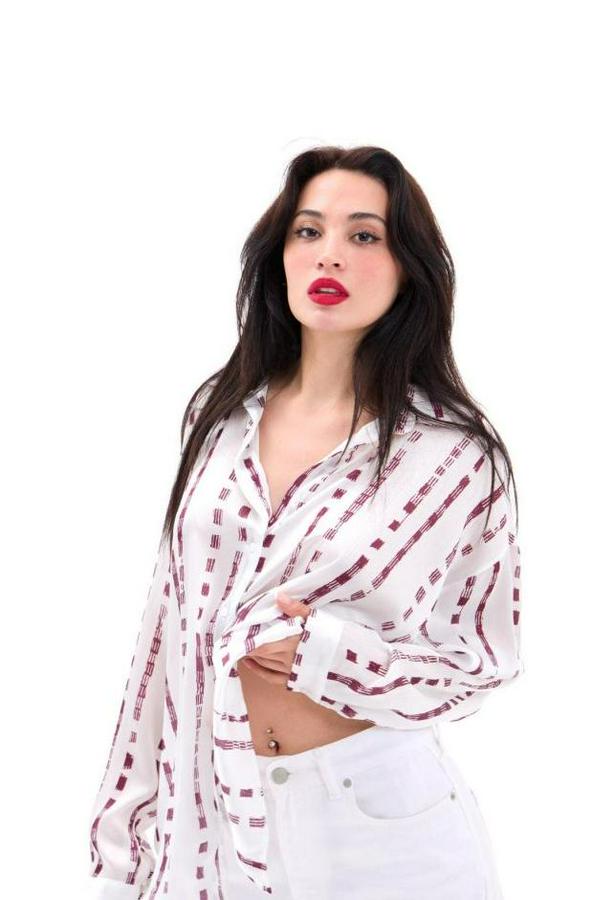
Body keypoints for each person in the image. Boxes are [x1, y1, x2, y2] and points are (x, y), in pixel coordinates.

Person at [87, 145, 523, 900]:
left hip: (376, 821)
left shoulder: (453, 454)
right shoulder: (217, 415)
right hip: (212, 810)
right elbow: (168, 623)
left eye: (364, 235)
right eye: (308, 230)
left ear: (408, 268)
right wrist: (128, 834)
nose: (330, 255)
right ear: (279, 255)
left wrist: (330, 655)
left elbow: (481, 661)